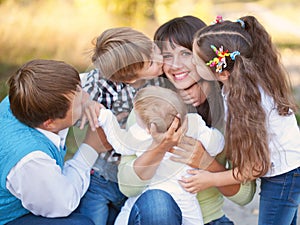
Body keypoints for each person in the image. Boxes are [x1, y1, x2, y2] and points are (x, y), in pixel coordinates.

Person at [117, 16, 256, 225]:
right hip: (157, 215)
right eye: (166, 56)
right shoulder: (150, 105)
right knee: (159, 201)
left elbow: (244, 195)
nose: (174, 65)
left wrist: (205, 162)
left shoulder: (230, 108)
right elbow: (127, 186)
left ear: (204, 55)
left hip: (208, 219)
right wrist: (159, 147)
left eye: (185, 53)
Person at [187, 15, 300, 225]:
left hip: (285, 175)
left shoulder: (249, 103)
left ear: (221, 73)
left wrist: (210, 179)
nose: (193, 66)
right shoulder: (242, 80)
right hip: (288, 168)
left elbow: (255, 167)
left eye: (196, 62)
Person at [95, 86, 225, 225]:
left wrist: (106, 117)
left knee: (125, 218)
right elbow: (217, 144)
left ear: (148, 128)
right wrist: (207, 137)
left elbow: (119, 143)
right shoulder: (194, 124)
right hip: (186, 201)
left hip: (150, 196)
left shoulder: (142, 135)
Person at [76, 27, 166, 225]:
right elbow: (71, 89)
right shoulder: (99, 84)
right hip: (100, 179)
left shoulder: (159, 80)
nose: (160, 59)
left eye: (154, 49)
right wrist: (85, 103)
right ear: (130, 78)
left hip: (134, 177)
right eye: (151, 62)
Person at [0, 59, 104, 225]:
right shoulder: (31, 160)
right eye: (78, 104)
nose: (86, 97)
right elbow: (63, 204)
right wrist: (91, 148)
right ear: (50, 123)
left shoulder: (31, 97)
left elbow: (82, 83)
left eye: (80, 90)